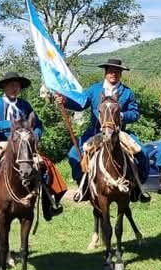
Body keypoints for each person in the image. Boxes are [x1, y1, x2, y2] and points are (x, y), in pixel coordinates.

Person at [0, 72, 67, 220]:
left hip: (23, 142)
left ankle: (50, 201)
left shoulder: (25, 105)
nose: (14, 88)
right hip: (1, 141)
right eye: (11, 85)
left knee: (45, 164)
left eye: (17, 86)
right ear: (4, 87)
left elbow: (37, 124)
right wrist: (13, 124)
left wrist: (35, 136)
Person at [56, 58, 150, 203]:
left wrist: (122, 115)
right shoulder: (94, 90)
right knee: (74, 153)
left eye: (117, 72)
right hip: (95, 132)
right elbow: (81, 104)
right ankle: (84, 186)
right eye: (111, 71)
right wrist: (65, 101)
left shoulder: (127, 92)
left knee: (142, 152)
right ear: (105, 73)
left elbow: (135, 113)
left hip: (119, 132)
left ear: (120, 74)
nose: (113, 74)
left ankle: (137, 188)